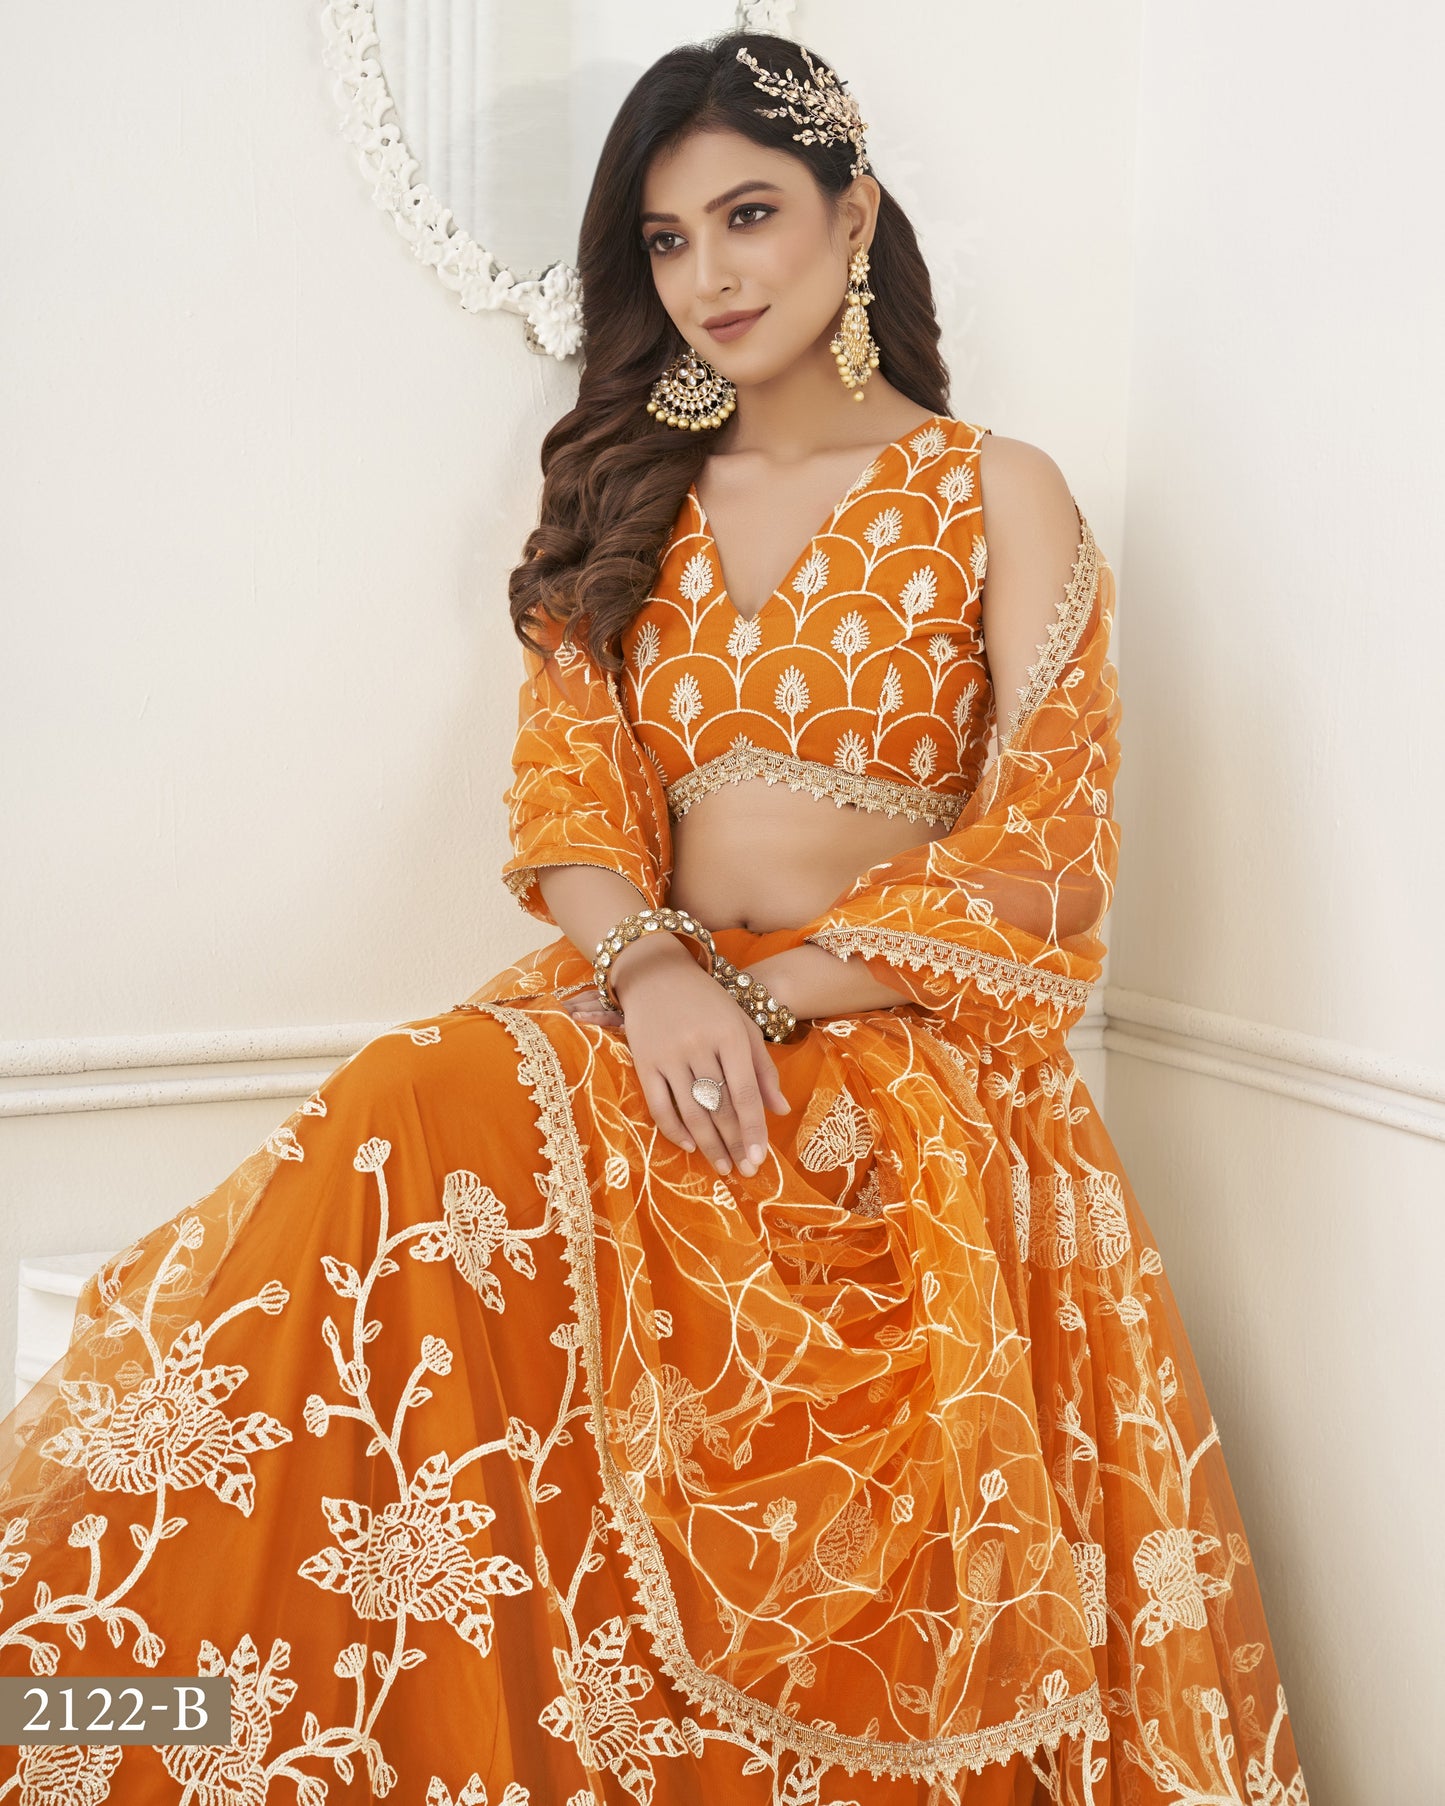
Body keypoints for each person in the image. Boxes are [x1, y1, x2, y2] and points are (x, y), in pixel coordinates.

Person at [0, 30, 1311, 1806]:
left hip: (895, 1060)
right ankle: (120, 1721)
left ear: (855, 217)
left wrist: (761, 999)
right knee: (403, 1110)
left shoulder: (993, 486)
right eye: (668, 240)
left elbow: (1050, 849)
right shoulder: (630, 497)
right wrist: (655, 968)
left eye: (749, 215)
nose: (709, 276)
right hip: (644, 1015)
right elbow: (568, 803)